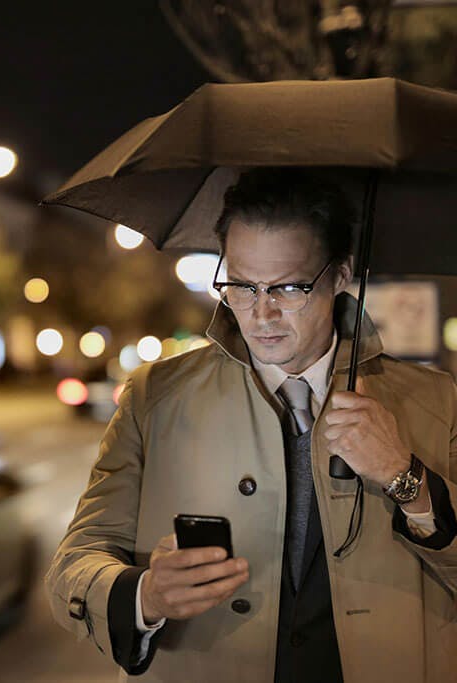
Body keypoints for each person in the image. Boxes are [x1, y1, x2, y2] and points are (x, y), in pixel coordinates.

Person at [45, 168, 457, 683]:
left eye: (288, 287)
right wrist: (145, 594)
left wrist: (405, 477)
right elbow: (75, 565)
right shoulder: (156, 398)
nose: (261, 314)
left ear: (339, 275)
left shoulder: (435, 401)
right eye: (240, 286)